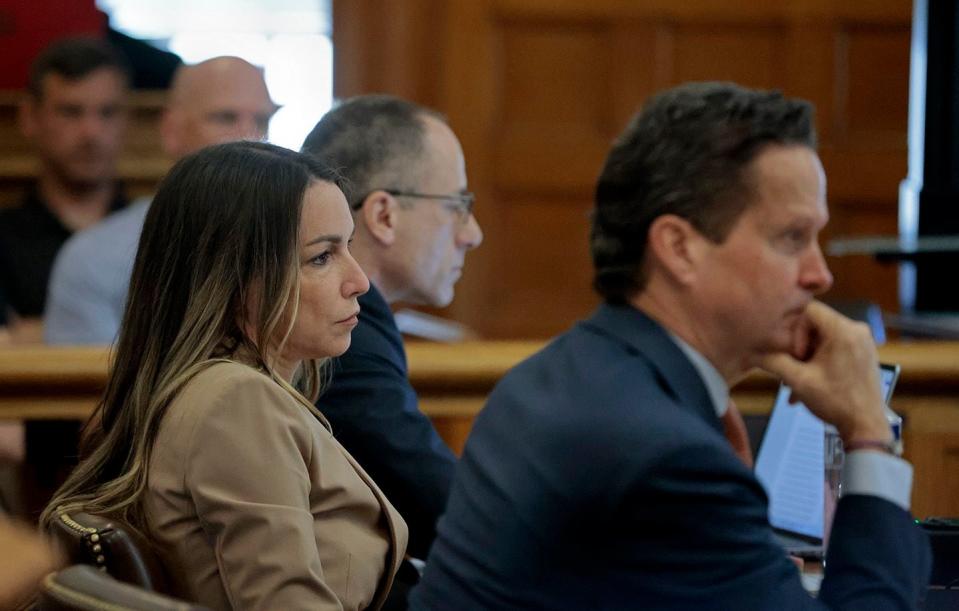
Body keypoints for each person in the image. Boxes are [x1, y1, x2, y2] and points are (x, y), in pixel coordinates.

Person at [411, 82, 931, 609]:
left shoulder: (557, 378)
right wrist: (867, 433)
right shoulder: (665, 456)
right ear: (680, 248)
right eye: (792, 239)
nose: (820, 275)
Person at [42, 141, 408, 610]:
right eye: (321, 257)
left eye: (348, 247)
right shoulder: (236, 401)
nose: (359, 282)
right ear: (235, 280)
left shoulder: (217, 389)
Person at [301, 96, 483, 560]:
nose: (472, 233)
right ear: (383, 215)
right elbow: (447, 512)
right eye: (458, 204)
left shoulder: (355, 324)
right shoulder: (342, 335)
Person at [44, 55, 278, 345]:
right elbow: (86, 385)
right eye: (225, 118)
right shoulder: (94, 259)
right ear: (171, 130)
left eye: (262, 119)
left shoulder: (297, 246)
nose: (250, 136)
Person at [0, 36, 129, 334]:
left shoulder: (155, 231)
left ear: (126, 120)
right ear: (30, 118)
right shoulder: (3, 238)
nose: (91, 132)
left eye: (107, 112)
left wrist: (32, 333)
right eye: (71, 112)